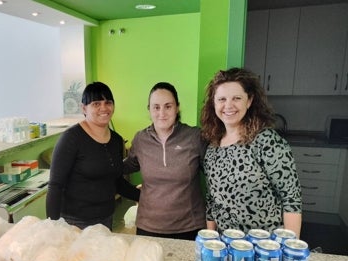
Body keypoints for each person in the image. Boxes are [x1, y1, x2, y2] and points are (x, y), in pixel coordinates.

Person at [200, 67, 302, 237]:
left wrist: (289, 249)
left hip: (265, 247)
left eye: (237, 98)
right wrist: (211, 240)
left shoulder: (266, 141)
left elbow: (291, 199)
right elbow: (212, 201)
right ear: (214, 103)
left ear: (249, 101)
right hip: (226, 245)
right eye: (222, 99)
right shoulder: (213, 147)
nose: (228, 105)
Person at [46, 81, 139, 230]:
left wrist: (146, 197)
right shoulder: (71, 138)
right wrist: (52, 227)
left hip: (106, 219)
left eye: (108, 102)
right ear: (84, 108)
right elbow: (55, 186)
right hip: (74, 223)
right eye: (96, 104)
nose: (104, 108)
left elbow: (116, 181)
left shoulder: (116, 140)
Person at [123, 82, 206, 240]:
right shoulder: (140, 139)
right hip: (148, 226)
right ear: (149, 109)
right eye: (156, 107)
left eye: (168, 106)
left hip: (189, 226)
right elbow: (124, 167)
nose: (162, 113)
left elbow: (215, 175)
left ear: (177, 107)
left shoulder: (195, 137)